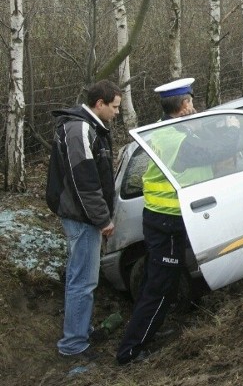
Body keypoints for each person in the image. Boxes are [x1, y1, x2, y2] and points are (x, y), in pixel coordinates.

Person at [115, 78, 200, 364]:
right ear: (184, 105)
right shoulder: (172, 136)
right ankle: (130, 351)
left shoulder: (168, 129)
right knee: (159, 285)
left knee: (162, 280)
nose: (194, 106)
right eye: (191, 101)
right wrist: (232, 132)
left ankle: (149, 333)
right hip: (167, 220)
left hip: (164, 218)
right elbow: (203, 155)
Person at [46, 79, 121, 360]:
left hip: (82, 215)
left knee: (81, 279)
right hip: (82, 218)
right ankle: (74, 345)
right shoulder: (79, 129)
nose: (117, 113)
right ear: (99, 104)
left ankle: (79, 332)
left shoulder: (89, 127)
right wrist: (103, 220)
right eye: (114, 107)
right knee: (83, 281)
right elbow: (85, 183)